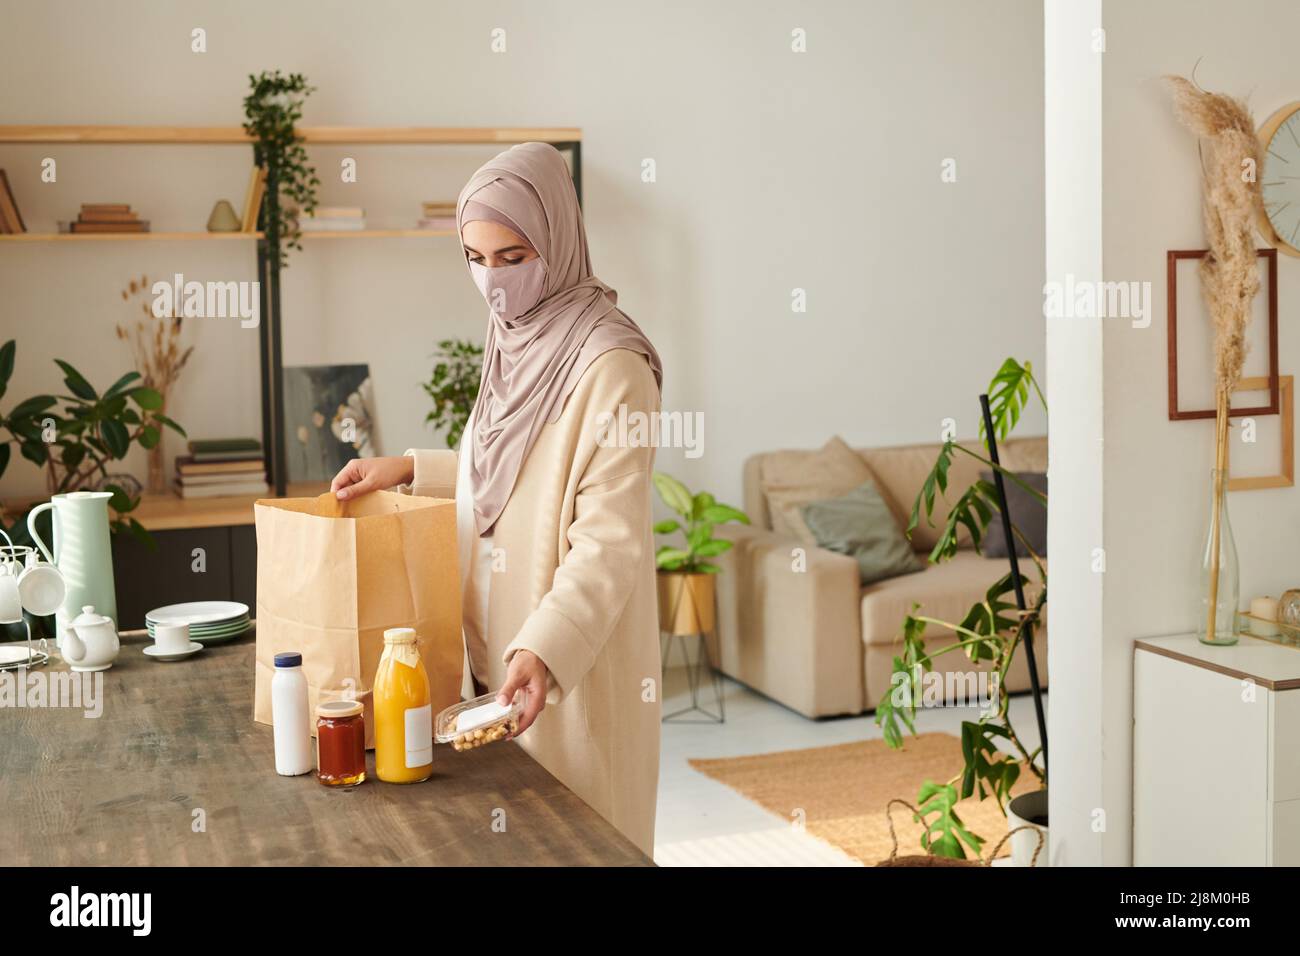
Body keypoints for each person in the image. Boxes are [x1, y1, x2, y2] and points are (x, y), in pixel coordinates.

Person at [330, 142, 664, 856]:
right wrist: (409, 468)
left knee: (576, 847)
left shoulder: (614, 367)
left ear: (558, 239)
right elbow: (513, 475)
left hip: (565, 675)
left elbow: (609, 542)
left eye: (513, 258)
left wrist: (544, 650)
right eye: (475, 259)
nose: (492, 281)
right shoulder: (513, 341)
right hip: (491, 670)